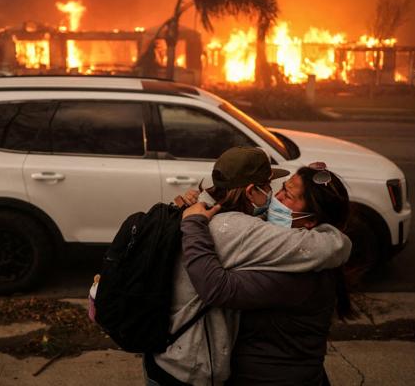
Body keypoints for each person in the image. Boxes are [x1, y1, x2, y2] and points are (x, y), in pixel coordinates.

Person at [144, 147, 352, 386]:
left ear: (312, 219)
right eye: (278, 188)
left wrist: (194, 214)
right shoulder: (258, 236)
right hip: (191, 369)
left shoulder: (303, 270)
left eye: (288, 194)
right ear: (252, 191)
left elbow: (220, 286)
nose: (277, 198)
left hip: (270, 377)